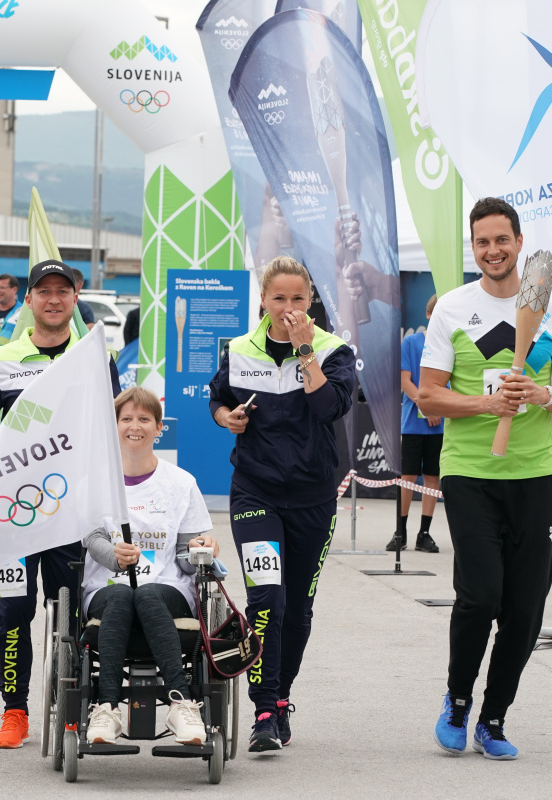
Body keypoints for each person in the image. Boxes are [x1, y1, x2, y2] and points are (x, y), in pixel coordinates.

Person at [418, 197, 552, 760]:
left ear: (518, 243)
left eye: (501, 240)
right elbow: (429, 397)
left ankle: (493, 717)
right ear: (474, 247)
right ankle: (458, 700)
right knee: (481, 594)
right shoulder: (451, 309)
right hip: (470, 471)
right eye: (482, 242)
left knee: (526, 607)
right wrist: (487, 404)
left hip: (535, 473)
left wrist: (541, 394)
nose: (493, 250)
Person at [0, 259, 121, 748]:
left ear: (75, 299)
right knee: (12, 613)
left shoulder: (96, 359)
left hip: (72, 517)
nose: (53, 299)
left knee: (72, 615)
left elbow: (114, 430)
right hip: (14, 517)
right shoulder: (2, 359)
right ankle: (15, 710)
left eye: (62, 291)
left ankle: (73, 706)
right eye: (43, 291)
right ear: (28, 300)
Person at [208, 255, 355, 753]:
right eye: (279, 298)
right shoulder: (239, 349)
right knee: (266, 597)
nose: (288, 307)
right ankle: (264, 710)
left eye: (297, 298)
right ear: (263, 301)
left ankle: (282, 694)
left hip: (314, 496)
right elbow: (217, 399)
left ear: (310, 301)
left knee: (297, 608)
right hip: (256, 492)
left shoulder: (333, 350)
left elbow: (330, 408)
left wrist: (304, 351)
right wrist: (226, 417)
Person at [81, 388, 216, 746]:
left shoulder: (181, 483)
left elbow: (186, 557)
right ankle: (107, 708)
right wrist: (115, 556)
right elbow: (92, 537)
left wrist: (200, 548)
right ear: (114, 426)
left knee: (145, 593)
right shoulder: (96, 482)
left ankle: (180, 705)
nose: (134, 426)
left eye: (144, 419)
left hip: (167, 590)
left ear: (158, 428)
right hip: (107, 589)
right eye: (126, 418)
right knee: (123, 594)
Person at [391, 293, 443, 554]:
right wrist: (426, 405)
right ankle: (400, 531)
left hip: (439, 425)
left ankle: (424, 533)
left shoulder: (449, 345)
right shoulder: (411, 342)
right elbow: (404, 380)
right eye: (435, 314)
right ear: (428, 314)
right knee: (408, 476)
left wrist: (437, 408)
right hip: (413, 423)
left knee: (432, 476)